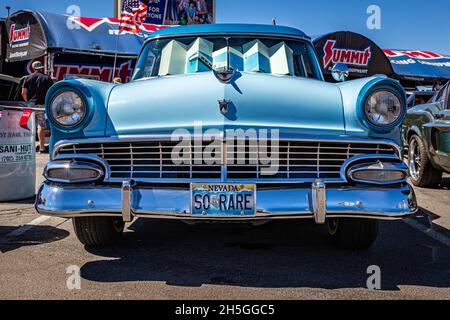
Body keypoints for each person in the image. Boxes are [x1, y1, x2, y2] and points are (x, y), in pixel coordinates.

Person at [21, 61, 54, 153]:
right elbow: (52, 92)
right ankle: (42, 148)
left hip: (30, 105)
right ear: (41, 68)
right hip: (41, 105)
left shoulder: (27, 78)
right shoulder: (47, 78)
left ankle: (27, 148)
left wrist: (28, 102)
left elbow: (23, 92)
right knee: (41, 126)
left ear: (33, 68)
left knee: (28, 126)